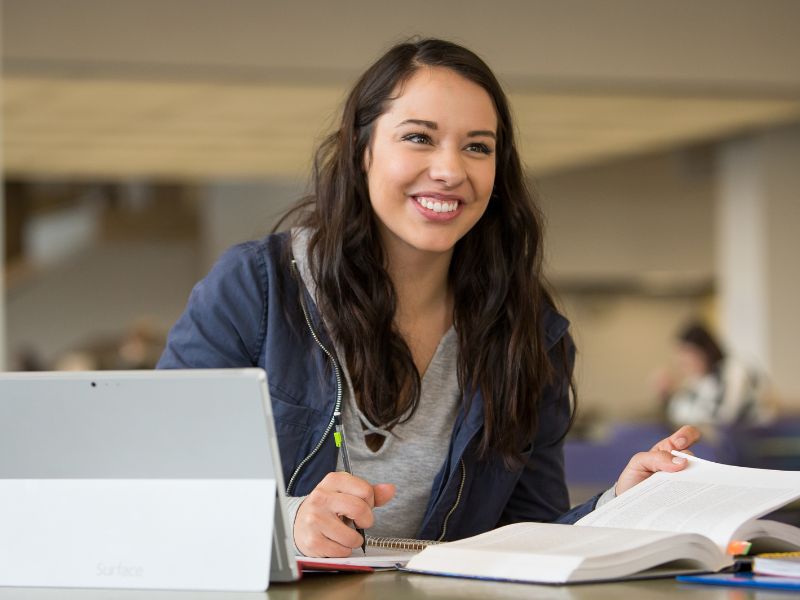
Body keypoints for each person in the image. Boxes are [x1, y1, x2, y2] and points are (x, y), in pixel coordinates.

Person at [158, 38, 699, 558]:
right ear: (361, 150)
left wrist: (617, 505)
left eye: (477, 147)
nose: (450, 171)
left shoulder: (529, 331)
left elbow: (526, 537)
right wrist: (287, 520)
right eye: (419, 137)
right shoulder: (259, 288)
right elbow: (154, 484)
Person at [657, 321, 773, 429]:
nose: (682, 363)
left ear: (705, 351)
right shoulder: (699, 380)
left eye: (687, 355)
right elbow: (679, 416)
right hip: (721, 441)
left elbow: (725, 417)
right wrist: (668, 396)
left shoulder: (734, 370)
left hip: (751, 439)